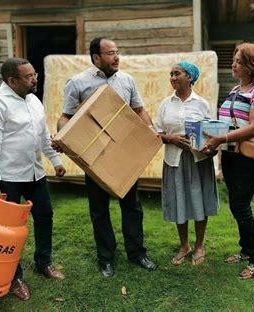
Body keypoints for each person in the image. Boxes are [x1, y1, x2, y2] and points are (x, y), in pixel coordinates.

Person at [55, 37, 157, 278]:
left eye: (117, 52)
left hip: (125, 153)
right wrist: (63, 136)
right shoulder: (78, 83)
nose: (117, 57)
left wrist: (151, 130)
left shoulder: (127, 80)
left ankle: (137, 253)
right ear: (96, 58)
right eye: (110, 53)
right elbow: (66, 117)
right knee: (99, 210)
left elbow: (139, 109)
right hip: (96, 156)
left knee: (132, 206)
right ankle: (106, 258)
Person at [0, 58, 67, 301]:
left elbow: (43, 135)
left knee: (45, 216)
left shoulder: (33, 100)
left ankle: (43, 262)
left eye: (34, 74)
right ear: (11, 80)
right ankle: (13, 278)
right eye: (28, 77)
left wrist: (55, 162)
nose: (35, 79)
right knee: (9, 232)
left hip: (35, 173)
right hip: (8, 177)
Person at [203, 43, 254, 279]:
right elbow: (229, 122)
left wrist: (221, 137)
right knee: (237, 205)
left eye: (239, 61)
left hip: (249, 157)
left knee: (241, 208)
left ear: (252, 65)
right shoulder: (235, 90)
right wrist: (214, 140)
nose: (234, 64)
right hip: (231, 154)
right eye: (234, 59)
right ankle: (245, 250)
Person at [155, 61, 219, 266]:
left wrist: (210, 146)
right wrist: (171, 139)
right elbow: (157, 133)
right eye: (171, 74)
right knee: (178, 202)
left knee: (199, 201)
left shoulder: (201, 103)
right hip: (174, 160)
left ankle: (199, 245)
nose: (173, 77)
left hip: (198, 161)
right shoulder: (166, 104)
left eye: (177, 74)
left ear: (189, 77)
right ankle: (184, 245)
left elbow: (212, 132)